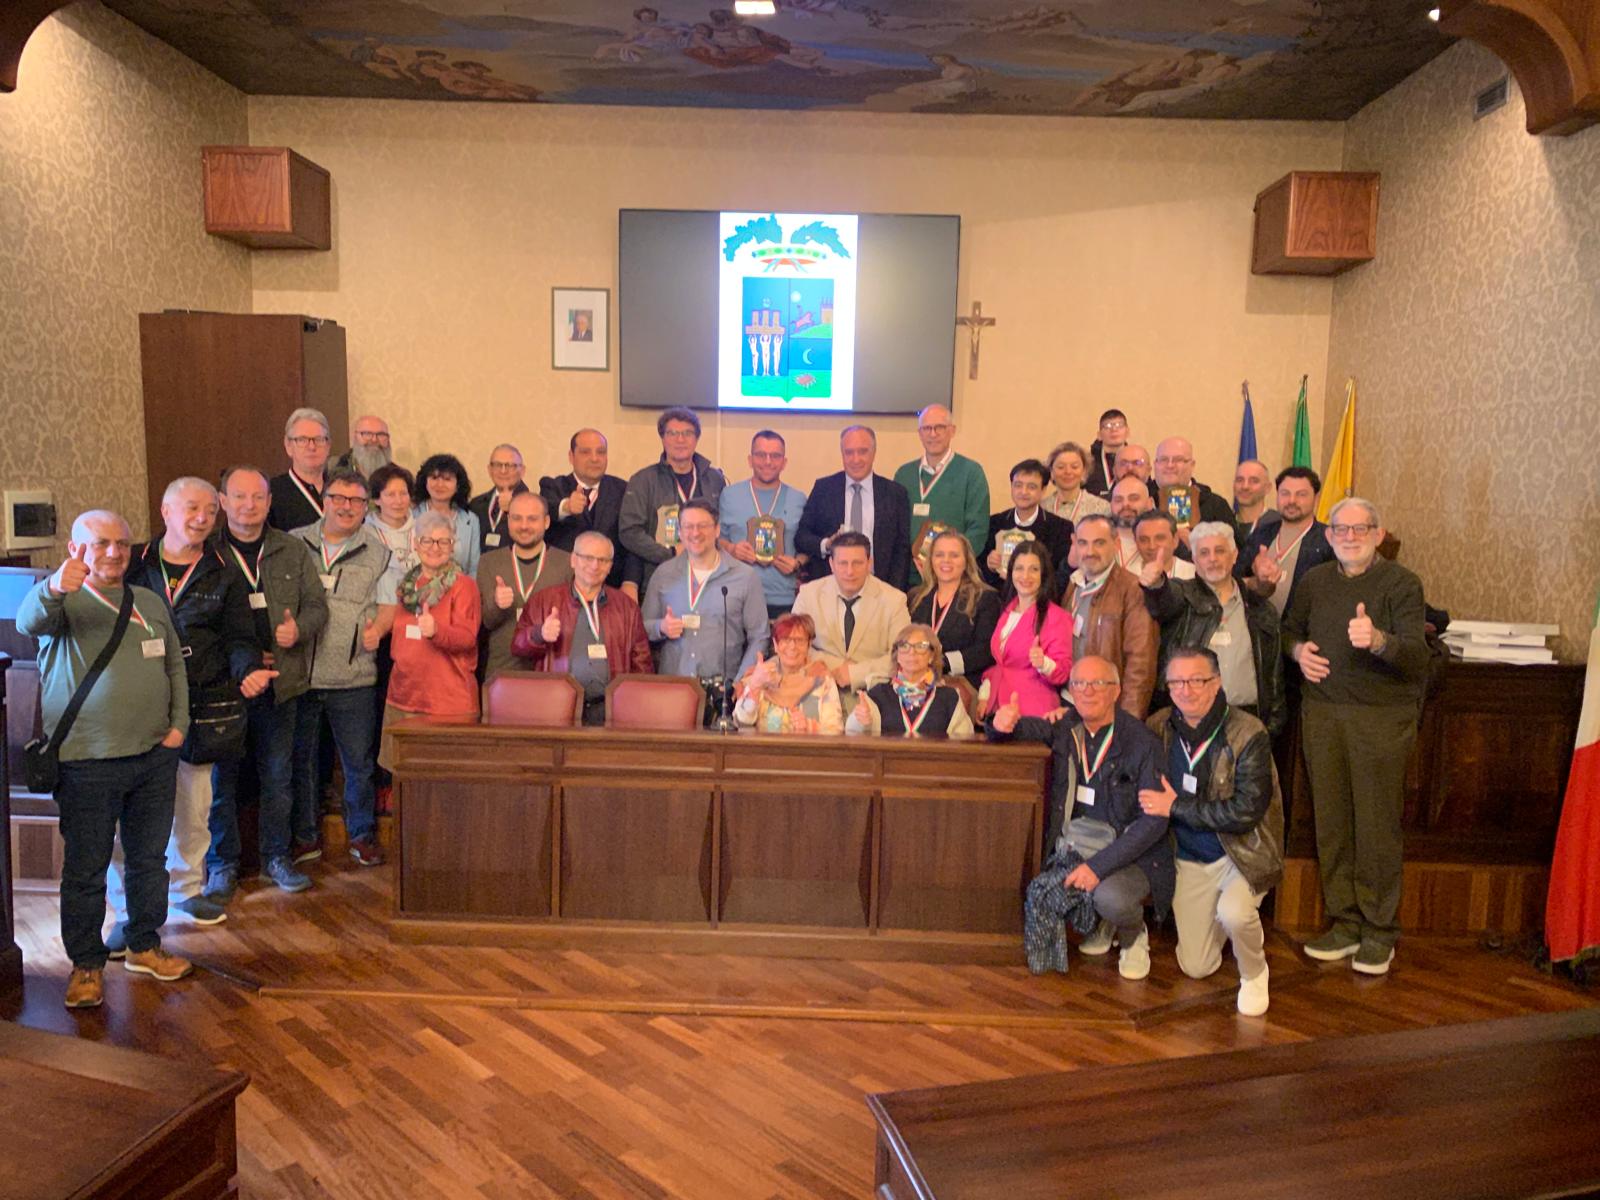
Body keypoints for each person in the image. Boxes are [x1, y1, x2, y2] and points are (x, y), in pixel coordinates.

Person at [18, 511, 193, 1009]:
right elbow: (28, 621)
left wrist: (179, 724)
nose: (114, 552)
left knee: (149, 861)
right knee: (86, 869)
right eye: (100, 543)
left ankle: (143, 945)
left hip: (153, 757)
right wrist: (55, 585)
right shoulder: (62, 600)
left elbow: (174, 666)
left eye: (122, 543)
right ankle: (86, 965)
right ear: (76, 548)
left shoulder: (149, 601)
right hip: (86, 762)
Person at [110, 478, 273, 935]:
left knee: (194, 807)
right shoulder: (134, 562)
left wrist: (247, 670)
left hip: (200, 703)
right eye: (191, 508)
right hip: (136, 703)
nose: (202, 518)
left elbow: (239, 638)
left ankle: (185, 890)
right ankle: (125, 910)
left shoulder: (223, 571)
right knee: (127, 812)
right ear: (166, 511)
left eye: (209, 511)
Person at [1284, 498, 1429, 976]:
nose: (1349, 536)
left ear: (1378, 534)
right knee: (1332, 822)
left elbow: (1417, 657)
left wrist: (1379, 640)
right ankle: (1345, 922)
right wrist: (1298, 651)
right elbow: (1288, 631)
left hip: (1380, 720)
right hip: (1322, 715)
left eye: (1360, 528)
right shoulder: (1314, 581)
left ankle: (1379, 931)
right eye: (1341, 529)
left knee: (1375, 826)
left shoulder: (1402, 584)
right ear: (1328, 536)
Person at [994, 656, 1171, 979]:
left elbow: (1153, 822)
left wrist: (1097, 867)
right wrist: (1001, 725)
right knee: (1041, 891)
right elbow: (1021, 729)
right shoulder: (1066, 727)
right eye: (1079, 684)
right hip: (1076, 845)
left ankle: (1132, 935)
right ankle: (1102, 924)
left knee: (1111, 897)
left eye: (1098, 683)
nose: (1087, 691)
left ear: (1116, 690)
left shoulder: (1142, 743)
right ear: (1071, 691)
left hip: (1129, 855)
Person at [1140, 647, 1284, 1016]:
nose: (1185, 690)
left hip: (1240, 853)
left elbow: (1245, 813)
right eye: (1176, 682)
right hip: (1188, 857)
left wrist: (1175, 807)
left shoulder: (1248, 732)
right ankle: (1218, 917)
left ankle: (1254, 972)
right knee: (1196, 966)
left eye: (1196, 680)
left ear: (1217, 682)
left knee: (1234, 912)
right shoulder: (1159, 726)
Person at [208, 465, 328, 904]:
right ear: (223, 502)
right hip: (227, 688)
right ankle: (222, 864)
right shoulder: (208, 553)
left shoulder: (291, 549)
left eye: (258, 497)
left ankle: (277, 857)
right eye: (239, 497)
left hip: (282, 685)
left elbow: (317, 606)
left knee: (278, 778)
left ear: (269, 502)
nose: (249, 505)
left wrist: (299, 630)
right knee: (223, 782)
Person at [293, 468, 396, 871]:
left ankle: (361, 835)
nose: (347, 507)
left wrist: (378, 630)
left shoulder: (379, 550)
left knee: (358, 763)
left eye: (356, 500)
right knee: (302, 763)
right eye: (338, 498)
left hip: (354, 676)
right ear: (324, 500)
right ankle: (305, 836)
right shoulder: (294, 543)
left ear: (366, 506)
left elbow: (388, 604)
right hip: (301, 675)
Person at [1142, 521, 1285, 735]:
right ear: (1194, 559)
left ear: (1234, 556)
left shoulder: (1260, 609)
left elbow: (1273, 673)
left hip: (1247, 722)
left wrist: (1273, 725)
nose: (1212, 559)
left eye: (1220, 551)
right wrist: (1155, 584)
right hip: (1190, 720)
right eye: (1204, 553)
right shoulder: (1184, 596)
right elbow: (1164, 599)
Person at [511, 532, 653, 725]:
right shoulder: (544, 600)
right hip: (557, 707)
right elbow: (517, 646)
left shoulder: (627, 607)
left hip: (611, 711)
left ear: (610, 566)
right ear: (573, 560)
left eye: (603, 560)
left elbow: (642, 663)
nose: (595, 566)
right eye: (587, 558)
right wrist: (539, 634)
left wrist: (635, 709)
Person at [380, 509, 482, 767]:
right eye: (427, 540)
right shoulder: (405, 586)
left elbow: (467, 638)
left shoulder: (464, 585)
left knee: (445, 779)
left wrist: (436, 631)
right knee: (403, 777)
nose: (434, 548)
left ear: (453, 545)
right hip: (403, 696)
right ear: (416, 544)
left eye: (443, 541)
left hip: (448, 703)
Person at [642, 499, 769, 693]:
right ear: (679, 532)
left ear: (717, 530)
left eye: (703, 526)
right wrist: (661, 627)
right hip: (673, 689)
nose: (695, 533)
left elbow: (759, 636)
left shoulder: (745, 577)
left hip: (724, 692)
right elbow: (640, 629)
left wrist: (742, 682)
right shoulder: (663, 574)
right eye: (688, 526)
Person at [618, 406, 727, 599]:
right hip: (660, 581)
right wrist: (669, 553)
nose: (680, 439)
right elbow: (629, 532)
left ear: (696, 439)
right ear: (662, 438)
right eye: (672, 433)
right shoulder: (643, 480)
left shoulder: (715, 480)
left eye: (687, 433)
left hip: (709, 581)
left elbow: (723, 527)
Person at [790, 531, 911, 703]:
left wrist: (855, 674)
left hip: (873, 696)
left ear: (869, 563)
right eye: (842, 563)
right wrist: (836, 666)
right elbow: (792, 646)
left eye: (857, 563)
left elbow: (904, 656)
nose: (849, 571)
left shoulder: (894, 600)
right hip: (817, 691)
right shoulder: (808, 594)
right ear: (831, 564)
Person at [1060, 515, 1158, 718]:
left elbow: (1140, 665)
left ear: (1116, 543)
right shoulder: (1073, 584)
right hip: (1069, 700)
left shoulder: (1133, 590)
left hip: (1107, 708)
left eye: (1099, 543)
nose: (1090, 552)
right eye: (1083, 543)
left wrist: (1128, 721)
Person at [795, 424, 911, 588]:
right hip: (832, 588)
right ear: (842, 454)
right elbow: (801, 537)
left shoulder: (895, 493)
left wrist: (894, 592)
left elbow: (902, 550)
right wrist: (827, 544)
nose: (856, 459)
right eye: (849, 452)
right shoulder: (824, 489)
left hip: (879, 588)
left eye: (863, 451)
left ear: (874, 452)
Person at [477, 491, 572, 681]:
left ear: (546, 522)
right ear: (508, 521)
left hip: (550, 672)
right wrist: (497, 604)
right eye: (517, 518)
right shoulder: (489, 562)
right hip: (503, 672)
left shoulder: (567, 563)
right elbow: (487, 622)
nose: (524, 526)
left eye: (532, 519)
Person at [718, 430, 809, 620]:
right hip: (737, 596)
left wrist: (797, 563)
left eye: (775, 456)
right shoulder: (729, 495)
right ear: (750, 460)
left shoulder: (798, 499)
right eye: (761, 455)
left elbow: (807, 547)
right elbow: (715, 541)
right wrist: (732, 549)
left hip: (782, 598)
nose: (768, 461)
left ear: (784, 462)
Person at [892, 404, 990, 575]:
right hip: (910, 577)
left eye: (940, 427)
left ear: (952, 431)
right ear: (920, 433)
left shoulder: (971, 473)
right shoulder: (904, 474)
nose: (933, 434)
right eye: (927, 428)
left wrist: (951, 563)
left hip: (953, 576)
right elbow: (894, 528)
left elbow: (978, 530)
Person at [982, 542, 1072, 718]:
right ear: (1011, 572)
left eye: (1034, 569)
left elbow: (1063, 672)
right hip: (1000, 711)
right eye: (1019, 568)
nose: (1025, 576)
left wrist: (1043, 663)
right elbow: (1001, 665)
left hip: (1034, 712)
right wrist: (985, 695)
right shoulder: (1007, 611)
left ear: (1043, 574)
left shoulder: (1057, 617)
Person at [907, 530, 1000, 687]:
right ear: (930, 560)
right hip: (916, 680)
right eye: (939, 555)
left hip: (961, 682)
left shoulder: (984, 598)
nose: (946, 561)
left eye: (954, 555)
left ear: (966, 561)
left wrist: (943, 663)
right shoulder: (916, 597)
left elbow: (985, 651)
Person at [846, 624, 975, 737]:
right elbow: (852, 734)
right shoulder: (878, 694)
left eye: (920, 646)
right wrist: (859, 721)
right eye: (904, 646)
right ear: (897, 656)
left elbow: (964, 741)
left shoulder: (949, 698)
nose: (912, 652)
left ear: (931, 656)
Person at [1239, 466, 1334, 617]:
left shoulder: (1329, 539)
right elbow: (1234, 581)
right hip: (1255, 625)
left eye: (1301, 495)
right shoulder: (1261, 534)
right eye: (1285, 493)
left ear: (1316, 498)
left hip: (1303, 629)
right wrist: (1256, 580)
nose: (1291, 501)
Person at [541, 428, 627, 589]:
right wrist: (566, 507)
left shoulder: (623, 490)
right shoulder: (553, 486)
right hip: (562, 585)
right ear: (571, 456)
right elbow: (546, 509)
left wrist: (630, 582)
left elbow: (631, 540)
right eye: (585, 452)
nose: (594, 458)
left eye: (601, 452)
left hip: (611, 586)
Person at [733, 612, 843, 734]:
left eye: (799, 640)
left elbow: (835, 729)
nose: (792, 646)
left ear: (809, 645)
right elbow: (742, 722)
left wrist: (809, 726)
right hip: (764, 746)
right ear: (775, 644)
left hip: (808, 746)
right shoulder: (762, 676)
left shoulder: (821, 678)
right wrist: (754, 685)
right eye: (785, 639)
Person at [980, 459, 1073, 590]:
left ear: (1043, 490)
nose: (1023, 492)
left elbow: (1061, 577)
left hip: (1041, 598)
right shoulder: (994, 523)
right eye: (1018, 485)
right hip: (999, 597)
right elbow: (979, 572)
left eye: (1031, 487)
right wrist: (989, 567)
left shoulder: (1061, 528)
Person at [1152, 436, 1239, 548]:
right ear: (1155, 464)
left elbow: (1234, 551)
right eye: (1164, 459)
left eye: (1178, 460)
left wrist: (1198, 548)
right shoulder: (1142, 501)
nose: (1170, 465)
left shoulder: (1215, 505)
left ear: (1192, 465)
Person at [412, 453, 482, 576]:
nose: (440, 484)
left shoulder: (470, 520)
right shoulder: (412, 516)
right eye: (434, 478)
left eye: (447, 479)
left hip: (460, 585)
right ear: (425, 482)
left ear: (458, 485)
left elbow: (474, 567)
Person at [270, 407, 333, 531]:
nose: (311, 447)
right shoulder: (272, 493)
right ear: (288, 445)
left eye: (319, 440)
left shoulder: (341, 490)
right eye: (302, 440)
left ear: (328, 446)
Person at [468, 443, 529, 555]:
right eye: (497, 465)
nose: (503, 471)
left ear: (522, 470)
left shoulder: (534, 505)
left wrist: (516, 508)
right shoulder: (476, 504)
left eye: (510, 465)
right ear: (489, 469)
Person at [1043, 441, 1111, 524]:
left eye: (1074, 467)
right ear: (1051, 472)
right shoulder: (1041, 509)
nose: (1068, 472)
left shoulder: (1101, 508)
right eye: (1061, 467)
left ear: (1084, 471)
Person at [1132, 511, 1196, 581]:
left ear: (1175, 540)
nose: (1152, 546)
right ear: (1135, 542)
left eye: (1159, 538)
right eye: (1144, 540)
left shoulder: (1194, 574)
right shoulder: (1127, 576)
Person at [1109, 474, 1153, 571]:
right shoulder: (1099, 541)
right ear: (1111, 505)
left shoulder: (1163, 540)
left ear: (1150, 503)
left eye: (1134, 498)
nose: (1125, 504)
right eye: (1118, 500)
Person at [1083, 409, 1130, 499]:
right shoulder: (1088, 463)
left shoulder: (1135, 461)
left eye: (1119, 425)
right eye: (1107, 426)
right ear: (1099, 435)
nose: (1114, 429)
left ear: (1127, 432)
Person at [1233, 459, 1274, 541]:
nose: (1245, 486)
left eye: (1254, 481)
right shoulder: (1224, 523)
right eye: (1240, 480)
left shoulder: (1279, 524)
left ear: (1267, 488)